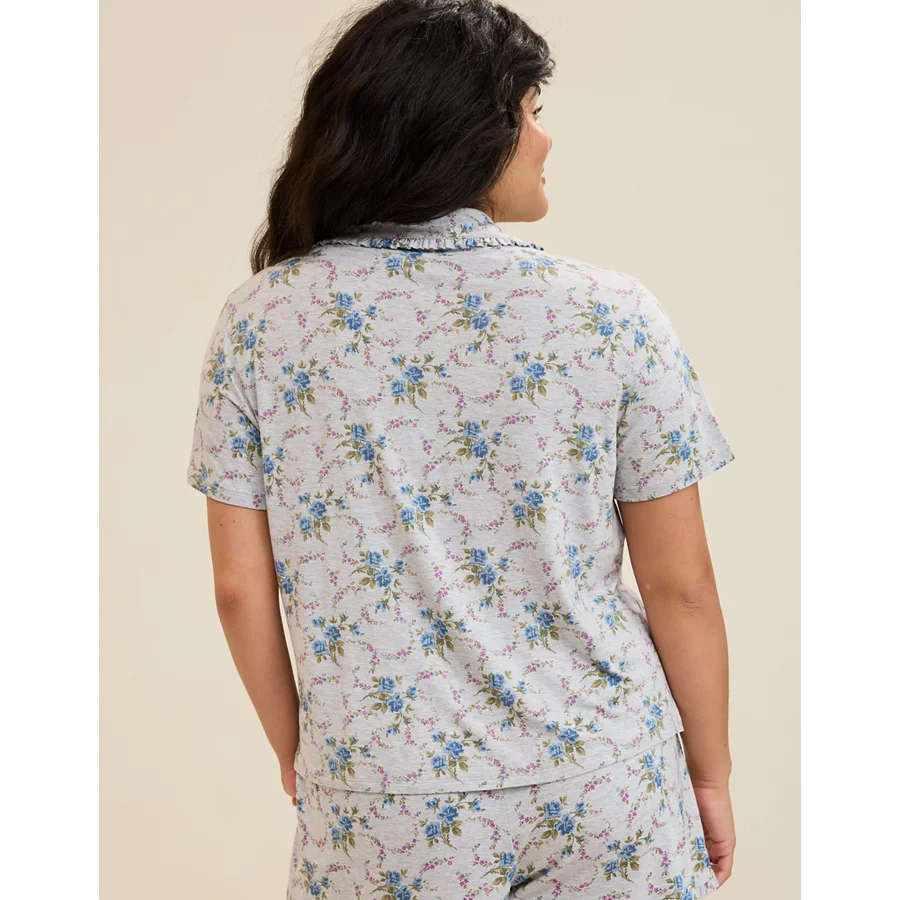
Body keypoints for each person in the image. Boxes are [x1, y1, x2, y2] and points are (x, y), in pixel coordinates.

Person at [185, 1, 737, 896]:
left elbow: (239, 589)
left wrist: (307, 755)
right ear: (465, 132)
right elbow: (682, 585)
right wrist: (708, 774)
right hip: (607, 776)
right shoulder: (611, 312)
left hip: (385, 791)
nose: (545, 140)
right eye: (531, 113)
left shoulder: (262, 320)